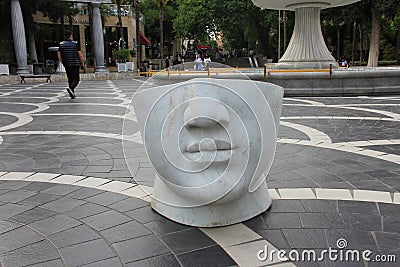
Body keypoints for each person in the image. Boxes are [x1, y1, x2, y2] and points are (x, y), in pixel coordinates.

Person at [58, 30, 84, 99]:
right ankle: (71, 88)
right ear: (71, 36)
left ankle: (72, 93)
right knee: (76, 79)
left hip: (67, 64)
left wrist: (63, 62)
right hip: (75, 63)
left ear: (64, 36)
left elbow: (59, 55)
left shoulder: (61, 44)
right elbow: (80, 54)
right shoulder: (75, 43)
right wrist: (82, 63)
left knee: (70, 78)